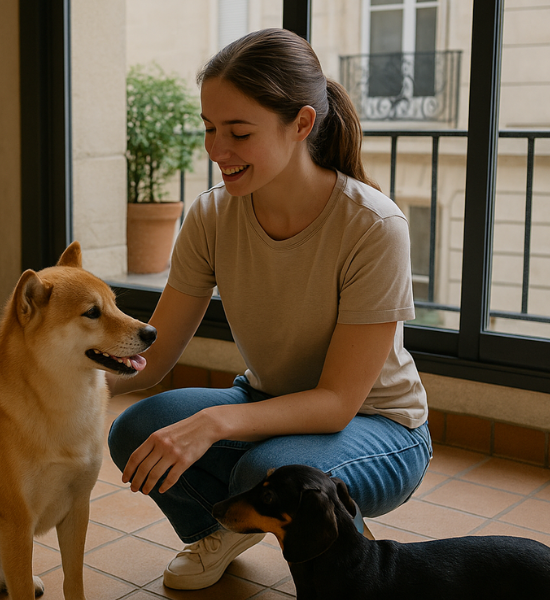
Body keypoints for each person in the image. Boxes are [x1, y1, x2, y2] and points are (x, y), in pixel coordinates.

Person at [106, 28, 433, 591]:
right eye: (210, 129)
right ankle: (228, 529)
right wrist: (48, 389)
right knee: (136, 429)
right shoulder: (211, 216)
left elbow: (334, 404)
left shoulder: (373, 226)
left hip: (379, 425)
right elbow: (153, 359)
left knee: (270, 471)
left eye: (238, 132)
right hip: (269, 400)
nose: (215, 150)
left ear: (302, 125)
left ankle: (356, 573)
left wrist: (213, 422)